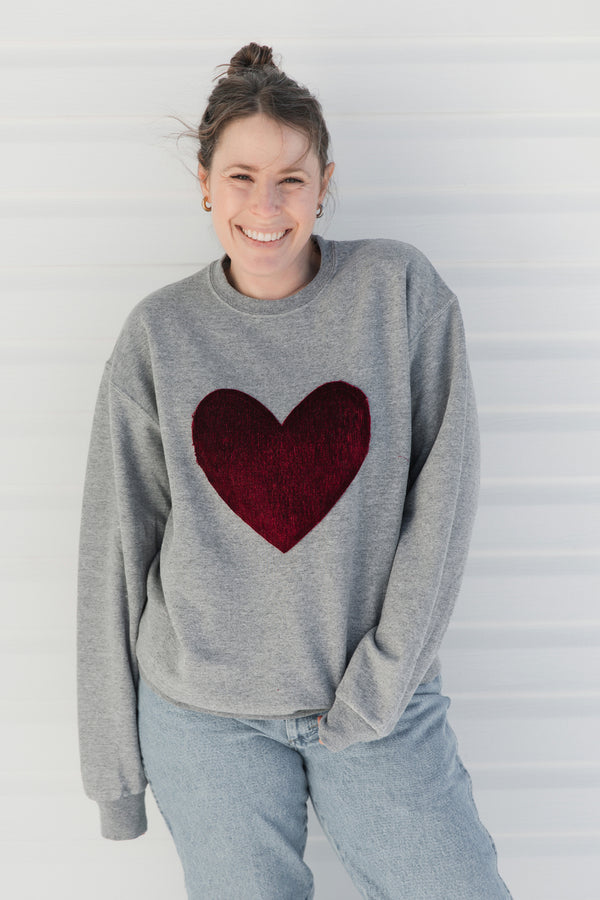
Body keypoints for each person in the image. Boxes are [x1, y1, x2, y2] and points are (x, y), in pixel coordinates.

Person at [77, 42, 513, 900]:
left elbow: (446, 502)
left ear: (325, 182)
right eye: (240, 177)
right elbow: (114, 552)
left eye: (291, 178)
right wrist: (114, 779)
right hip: (203, 719)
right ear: (204, 184)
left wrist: (381, 688)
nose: (265, 205)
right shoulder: (160, 335)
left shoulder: (398, 293)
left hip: (378, 707)